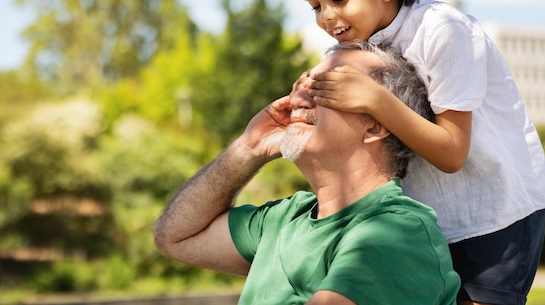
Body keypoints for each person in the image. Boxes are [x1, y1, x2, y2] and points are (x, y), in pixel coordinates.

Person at [278, 0, 545, 305]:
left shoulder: (442, 30)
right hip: (429, 217)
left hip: (495, 213)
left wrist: (376, 99)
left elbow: (452, 152)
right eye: (315, 5)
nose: (326, 17)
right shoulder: (360, 47)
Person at [153, 41, 460, 305]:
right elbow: (174, 237)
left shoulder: (399, 232)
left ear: (376, 124)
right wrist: (248, 148)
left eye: (326, 89)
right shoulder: (283, 219)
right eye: (301, 85)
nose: (297, 100)